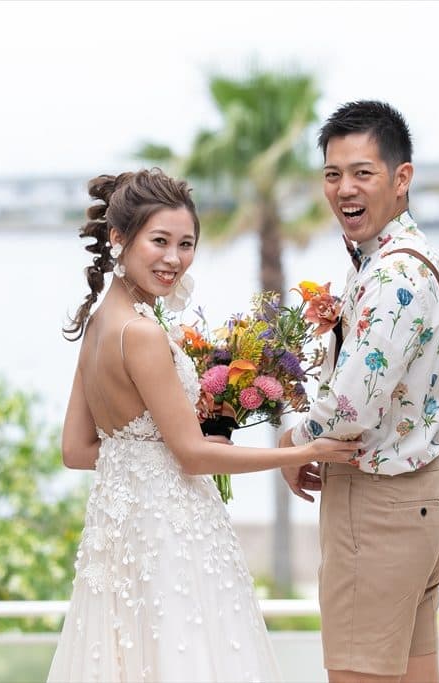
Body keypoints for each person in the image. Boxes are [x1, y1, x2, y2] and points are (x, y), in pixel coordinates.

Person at [48, 169, 361, 683]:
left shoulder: (101, 323)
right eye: (160, 241)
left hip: (124, 536)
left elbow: (77, 450)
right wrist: (305, 452)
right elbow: (192, 457)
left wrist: (154, 451)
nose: (174, 258)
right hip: (174, 539)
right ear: (120, 238)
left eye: (186, 244)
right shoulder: (142, 334)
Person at [279, 101, 439, 683]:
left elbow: (350, 408)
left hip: (378, 510)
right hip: (418, 500)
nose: (344, 189)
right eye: (333, 174)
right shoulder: (409, 259)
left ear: (402, 178)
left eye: (362, 173)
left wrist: (292, 442)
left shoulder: (392, 275)